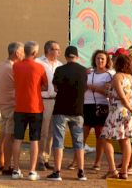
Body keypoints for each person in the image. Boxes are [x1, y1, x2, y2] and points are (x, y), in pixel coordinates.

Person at [48, 45, 89, 181]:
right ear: (77, 57)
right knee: (78, 142)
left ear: (66, 57)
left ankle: (57, 172)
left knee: (58, 141)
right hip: (78, 110)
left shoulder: (59, 70)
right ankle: (81, 172)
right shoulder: (83, 71)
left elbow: (55, 88)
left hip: (61, 109)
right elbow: (85, 88)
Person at [10, 41, 49, 181]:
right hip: (35, 107)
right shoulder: (40, 67)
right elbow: (45, 86)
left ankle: (16, 170)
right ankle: (32, 171)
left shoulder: (16, 66)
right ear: (34, 53)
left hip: (20, 107)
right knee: (34, 140)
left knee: (18, 139)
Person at [99, 52, 132, 180]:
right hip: (129, 112)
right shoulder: (131, 78)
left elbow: (121, 96)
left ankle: (112, 170)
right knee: (126, 140)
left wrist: (130, 108)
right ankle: (124, 171)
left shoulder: (117, 77)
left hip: (117, 110)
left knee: (105, 138)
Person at [35, 40, 63, 169]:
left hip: (57, 101)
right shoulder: (38, 63)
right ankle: (39, 159)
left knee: (52, 132)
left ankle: (46, 158)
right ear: (49, 50)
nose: (59, 52)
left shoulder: (60, 65)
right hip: (44, 101)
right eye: (56, 49)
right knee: (43, 131)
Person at [83, 50, 113, 172]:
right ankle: (76, 160)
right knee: (82, 134)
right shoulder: (88, 72)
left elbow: (107, 92)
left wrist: (94, 88)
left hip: (101, 106)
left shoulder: (109, 75)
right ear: (94, 60)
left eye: (102, 59)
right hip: (86, 105)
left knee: (99, 135)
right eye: (97, 58)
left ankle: (97, 162)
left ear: (106, 61)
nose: (100, 61)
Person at [0, 41, 20, 174]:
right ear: (17, 53)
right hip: (11, 105)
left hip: (4, 104)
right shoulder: (12, 68)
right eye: (22, 52)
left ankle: (0, 162)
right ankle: (7, 166)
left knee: (3, 134)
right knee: (10, 136)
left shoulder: (2, 65)